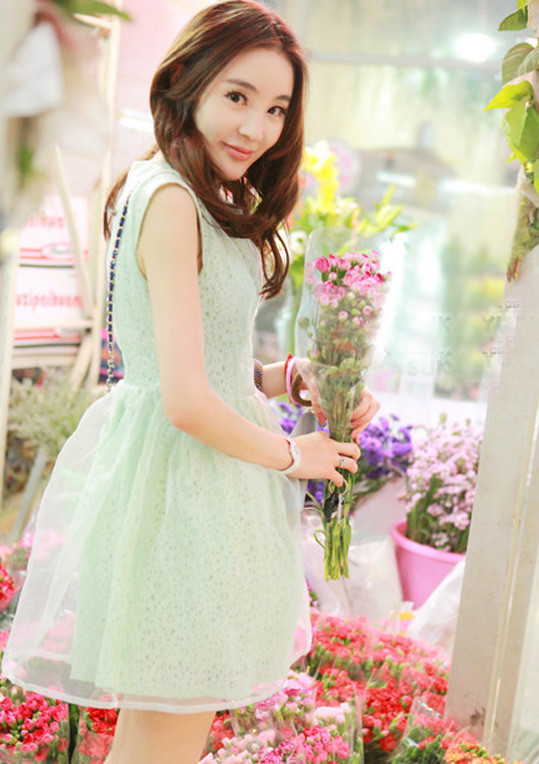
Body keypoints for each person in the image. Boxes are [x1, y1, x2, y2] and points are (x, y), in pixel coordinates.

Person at [2, 2, 380, 762]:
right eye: (238, 96)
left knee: (164, 731)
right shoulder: (172, 200)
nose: (257, 127)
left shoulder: (197, 193)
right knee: (164, 738)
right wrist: (295, 456)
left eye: (276, 108)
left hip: (193, 490)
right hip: (181, 497)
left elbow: (191, 364)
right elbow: (181, 398)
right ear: (187, 81)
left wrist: (283, 378)